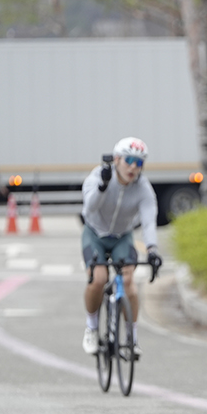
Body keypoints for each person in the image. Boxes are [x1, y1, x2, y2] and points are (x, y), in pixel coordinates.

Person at [81, 137, 162, 358]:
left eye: (139, 162)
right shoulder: (97, 176)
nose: (133, 167)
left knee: (128, 282)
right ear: (116, 159)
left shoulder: (143, 188)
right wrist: (103, 186)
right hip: (95, 234)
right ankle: (92, 328)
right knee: (98, 279)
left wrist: (152, 249)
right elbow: (89, 209)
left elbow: (148, 221)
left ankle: (132, 338)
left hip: (122, 236)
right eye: (129, 160)